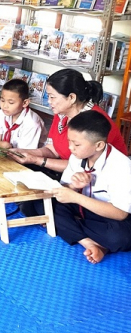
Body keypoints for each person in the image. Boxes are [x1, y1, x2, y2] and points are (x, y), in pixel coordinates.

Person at [8, 68, 127, 175]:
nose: (49, 101)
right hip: (66, 172)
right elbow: (53, 150)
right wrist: (21, 152)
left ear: (71, 98)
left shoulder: (94, 122)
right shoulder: (62, 112)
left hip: (93, 180)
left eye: (52, 97)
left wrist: (36, 160)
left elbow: (80, 167)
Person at [49, 111, 131, 264]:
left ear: (99, 145)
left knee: (121, 237)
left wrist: (76, 197)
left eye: (76, 144)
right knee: (46, 204)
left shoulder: (121, 166)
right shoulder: (77, 157)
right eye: (69, 141)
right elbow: (64, 189)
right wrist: (73, 186)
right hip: (84, 211)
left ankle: (70, 228)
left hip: (109, 217)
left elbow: (120, 213)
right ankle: (89, 243)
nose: (70, 148)